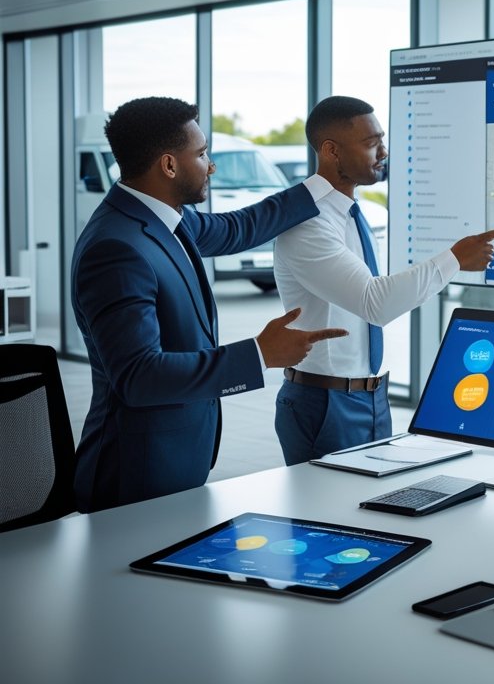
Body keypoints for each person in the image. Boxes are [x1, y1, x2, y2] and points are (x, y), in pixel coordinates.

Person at [72, 97, 346, 513]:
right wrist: (259, 354)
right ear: (169, 165)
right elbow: (139, 376)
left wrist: (321, 183)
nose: (211, 166)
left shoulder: (164, 219)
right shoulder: (116, 247)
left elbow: (238, 228)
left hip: (175, 462)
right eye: (201, 154)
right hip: (135, 476)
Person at [272, 96, 494, 465]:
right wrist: (454, 259)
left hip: (371, 396)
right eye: (371, 143)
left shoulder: (353, 215)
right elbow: (376, 302)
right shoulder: (307, 225)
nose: (383, 152)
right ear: (331, 151)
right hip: (324, 403)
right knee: (330, 503)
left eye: (382, 141)